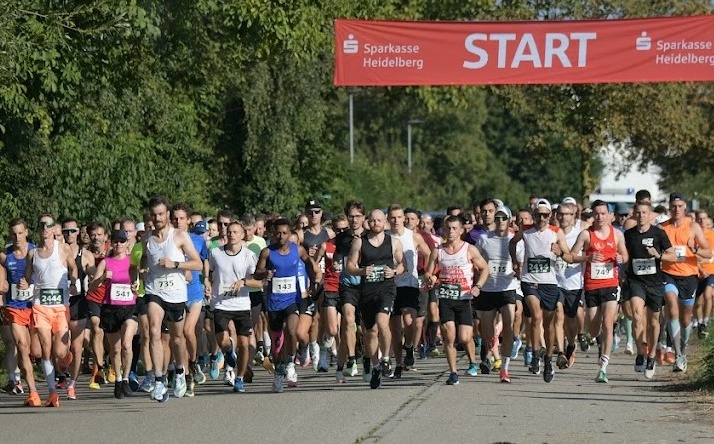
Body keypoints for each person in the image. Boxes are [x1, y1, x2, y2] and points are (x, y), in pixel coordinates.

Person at [141, 195, 203, 402]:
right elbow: (144, 259)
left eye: (161, 214)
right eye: (154, 214)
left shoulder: (179, 236)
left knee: (177, 339)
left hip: (176, 294)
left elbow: (198, 264)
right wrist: (139, 275)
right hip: (154, 291)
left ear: (167, 214)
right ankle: (159, 380)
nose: (158, 218)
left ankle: (179, 371)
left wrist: (174, 264)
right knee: (153, 330)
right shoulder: (146, 238)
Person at [510, 199, 575, 383]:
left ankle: (547, 358)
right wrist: (515, 261)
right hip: (529, 281)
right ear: (534, 215)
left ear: (550, 216)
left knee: (549, 324)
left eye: (545, 215)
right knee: (536, 315)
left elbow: (569, 257)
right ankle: (536, 354)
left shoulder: (556, 233)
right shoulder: (526, 231)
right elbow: (512, 243)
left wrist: (559, 252)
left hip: (549, 284)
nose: (541, 218)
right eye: (538, 215)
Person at [253, 218, 321, 393]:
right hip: (274, 302)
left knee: (292, 331)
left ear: (290, 234)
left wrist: (313, 282)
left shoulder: (297, 250)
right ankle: (278, 372)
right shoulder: (267, 252)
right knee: (276, 346)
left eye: (285, 233)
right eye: (278, 233)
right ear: (273, 234)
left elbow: (309, 264)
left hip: (292, 300)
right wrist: (265, 273)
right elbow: (257, 273)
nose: (281, 236)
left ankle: (290, 361)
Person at [19, 214, 79, 407]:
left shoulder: (63, 249)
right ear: (38, 229)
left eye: (49, 225)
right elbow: (28, 277)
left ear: (55, 229)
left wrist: (73, 281)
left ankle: (65, 357)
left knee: (60, 352)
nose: (45, 228)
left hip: (61, 307)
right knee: (45, 348)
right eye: (42, 225)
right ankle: (53, 393)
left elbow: (73, 268)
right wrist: (24, 283)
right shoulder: (33, 253)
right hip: (40, 306)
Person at [569, 200, 629, 383]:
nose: (600, 217)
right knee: (594, 328)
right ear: (593, 215)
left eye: (604, 214)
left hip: (611, 283)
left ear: (610, 215)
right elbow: (571, 256)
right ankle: (597, 340)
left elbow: (625, 255)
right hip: (592, 286)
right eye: (597, 214)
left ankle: (603, 367)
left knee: (608, 323)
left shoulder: (617, 235)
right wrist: (587, 257)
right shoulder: (586, 235)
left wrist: (621, 257)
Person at [424, 215, 488, 385]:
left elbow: (484, 269)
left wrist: (478, 286)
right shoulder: (438, 251)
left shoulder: (469, 249)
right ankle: (453, 372)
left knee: (465, 337)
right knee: (449, 337)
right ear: (444, 230)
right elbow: (428, 272)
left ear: (461, 231)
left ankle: (473, 362)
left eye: (454, 228)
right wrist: (430, 278)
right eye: (448, 228)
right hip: (446, 298)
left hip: (465, 298)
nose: (451, 232)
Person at [346, 209, 405, 389]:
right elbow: (349, 266)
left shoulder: (393, 242)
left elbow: (404, 265)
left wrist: (394, 271)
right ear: (367, 222)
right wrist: (361, 271)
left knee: (382, 323)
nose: (375, 224)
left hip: (386, 289)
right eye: (372, 221)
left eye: (379, 220)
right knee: (370, 332)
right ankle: (376, 366)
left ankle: (386, 357)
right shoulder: (359, 242)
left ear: (384, 222)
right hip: (367, 291)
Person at [206, 222, 262, 393]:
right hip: (221, 302)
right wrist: (207, 283)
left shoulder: (249, 255)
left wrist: (244, 282)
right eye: (229, 231)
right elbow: (208, 273)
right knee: (222, 340)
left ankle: (239, 378)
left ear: (242, 235)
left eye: (235, 232)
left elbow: (259, 281)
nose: (231, 234)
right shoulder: (215, 253)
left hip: (242, 304)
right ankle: (229, 352)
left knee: (244, 344)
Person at [623, 202, 676, 379]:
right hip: (636, 281)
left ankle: (652, 355)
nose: (641, 216)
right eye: (638, 213)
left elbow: (673, 255)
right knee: (637, 316)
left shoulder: (658, 233)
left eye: (644, 212)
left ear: (650, 214)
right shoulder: (628, 235)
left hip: (655, 283)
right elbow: (624, 256)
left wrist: (658, 255)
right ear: (634, 214)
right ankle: (640, 353)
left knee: (654, 321)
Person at [660, 193, 711, 372]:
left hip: (689, 276)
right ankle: (678, 354)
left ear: (685, 208)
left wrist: (694, 248)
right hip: (668, 273)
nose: (676, 209)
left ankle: (684, 348)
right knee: (671, 306)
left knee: (686, 317)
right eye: (673, 206)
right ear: (669, 207)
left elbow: (708, 253)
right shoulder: (663, 228)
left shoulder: (693, 227)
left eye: (680, 206)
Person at [90, 230, 139, 398]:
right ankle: (118, 379)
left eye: (121, 241)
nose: (118, 244)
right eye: (115, 241)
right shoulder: (106, 262)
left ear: (127, 243)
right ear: (111, 243)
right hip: (110, 308)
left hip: (129, 308)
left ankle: (126, 379)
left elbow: (138, 282)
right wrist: (103, 277)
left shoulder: (132, 262)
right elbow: (92, 287)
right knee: (115, 349)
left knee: (126, 344)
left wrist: (135, 287)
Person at [387, 204, 430, 378]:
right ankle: (398, 363)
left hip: (409, 283)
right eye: (392, 217)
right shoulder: (384, 237)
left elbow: (430, 254)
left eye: (399, 217)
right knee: (395, 328)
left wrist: (428, 272)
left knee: (410, 320)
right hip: (389, 285)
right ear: (388, 219)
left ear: (403, 218)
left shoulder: (413, 236)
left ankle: (410, 345)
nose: (396, 220)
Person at [474, 206, 517, 382]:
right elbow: (476, 259)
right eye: (497, 218)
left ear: (509, 220)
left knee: (509, 325)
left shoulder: (514, 239)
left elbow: (521, 260)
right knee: (486, 330)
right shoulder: (484, 239)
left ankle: (505, 367)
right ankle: (492, 346)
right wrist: (479, 275)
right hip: (488, 289)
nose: (500, 222)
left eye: (504, 218)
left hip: (507, 288)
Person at [0, 219, 39, 405]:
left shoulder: (35, 251)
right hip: (14, 307)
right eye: (14, 233)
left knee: (36, 350)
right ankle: (32, 391)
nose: (17, 237)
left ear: (27, 232)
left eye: (20, 233)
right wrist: (2, 281)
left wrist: (30, 283)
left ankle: (61, 361)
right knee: (21, 346)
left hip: (34, 306)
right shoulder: (5, 255)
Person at [61, 218, 95, 399]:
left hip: (78, 303)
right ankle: (62, 370)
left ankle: (72, 384)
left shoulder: (86, 254)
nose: (69, 234)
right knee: (61, 346)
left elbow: (93, 271)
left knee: (77, 346)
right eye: (65, 231)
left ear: (78, 233)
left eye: (72, 231)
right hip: (59, 303)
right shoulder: (56, 252)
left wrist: (96, 274)